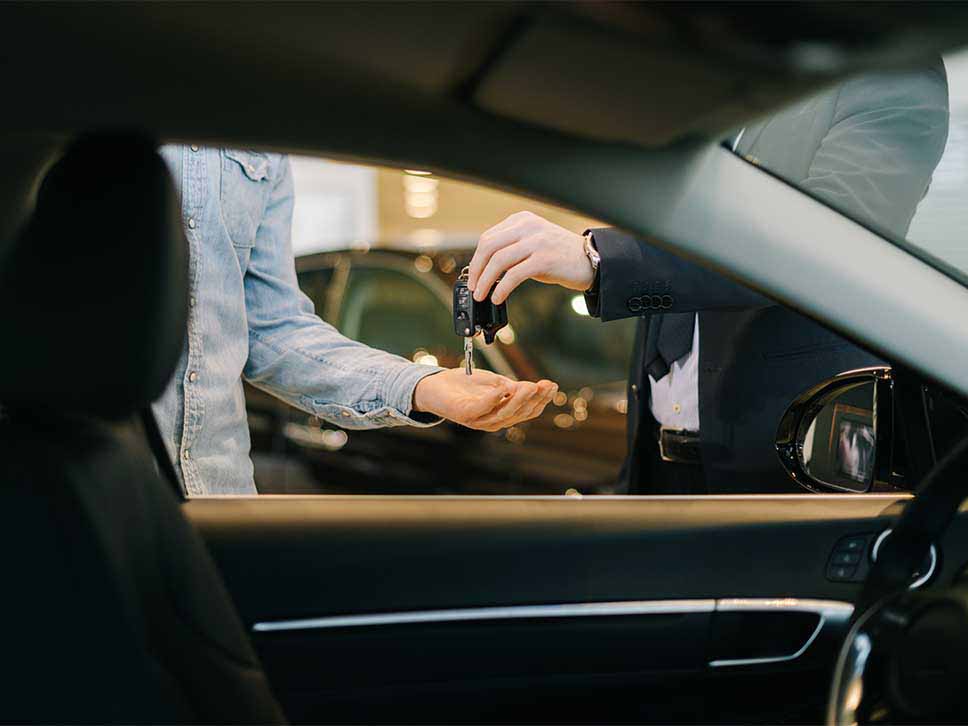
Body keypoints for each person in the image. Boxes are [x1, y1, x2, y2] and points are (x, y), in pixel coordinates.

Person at [465, 64, 949, 494]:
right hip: (656, 465)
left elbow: (829, 242)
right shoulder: (719, 83)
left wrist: (597, 258)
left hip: (790, 470)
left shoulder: (893, 73)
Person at [154, 146, 557, 495]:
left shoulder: (259, 146)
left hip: (223, 494)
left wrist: (422, 386)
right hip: (107, 503)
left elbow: (271, 327)